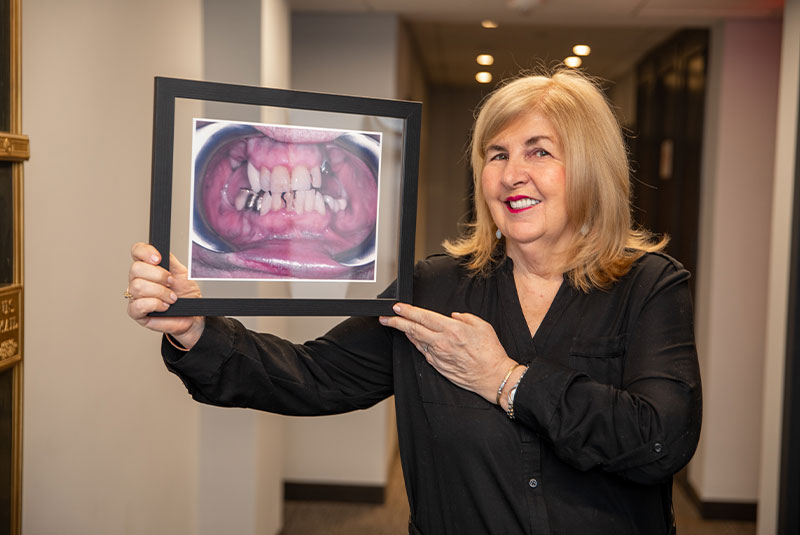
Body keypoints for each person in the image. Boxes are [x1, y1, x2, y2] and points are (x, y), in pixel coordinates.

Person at [127, 68, 701, 535]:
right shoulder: (433, 289)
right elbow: (313, 376)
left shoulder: (649, 285)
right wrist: (196, 329)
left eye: (539, 152)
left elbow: (660, 440)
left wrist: (506, 379)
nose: (511, 175)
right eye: (496, 155)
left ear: (592, 170)